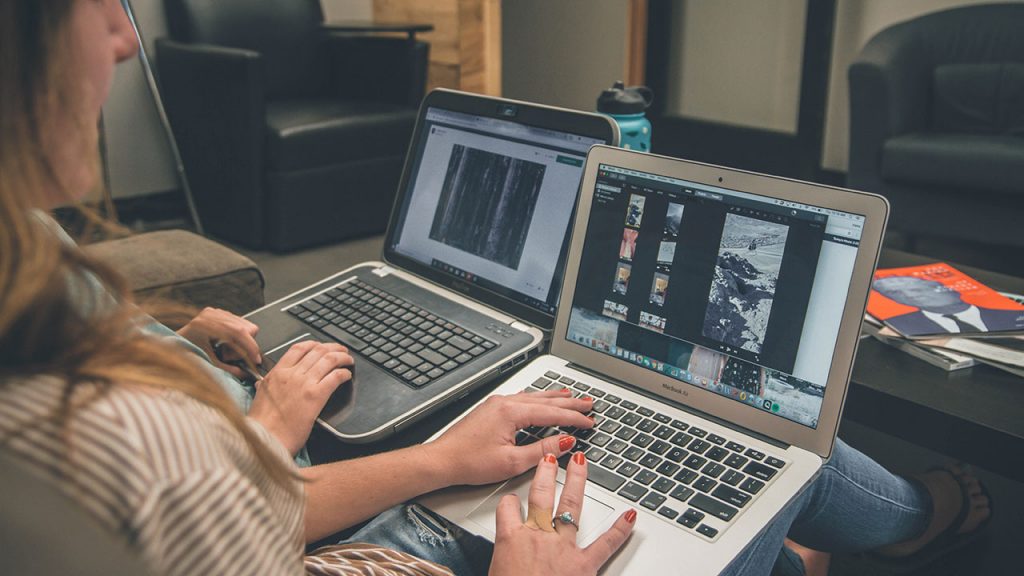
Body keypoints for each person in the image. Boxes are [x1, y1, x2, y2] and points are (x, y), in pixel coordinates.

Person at [0, 2, 989, 575]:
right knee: (767, 442)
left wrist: (164, 326)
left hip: (295, 468)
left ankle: (813, 540)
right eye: (93, 6)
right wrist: (296, 440)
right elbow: (258, 521)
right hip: (383, 547)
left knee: (674, 429)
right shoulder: (81, 442)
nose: (123, 38)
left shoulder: (25, 261)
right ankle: (921, 518)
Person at [874, 275, 1024, 335]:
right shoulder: (898, 327)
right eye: (894, 293)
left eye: (915, 288)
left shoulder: (1014, 318)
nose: (910, 295)